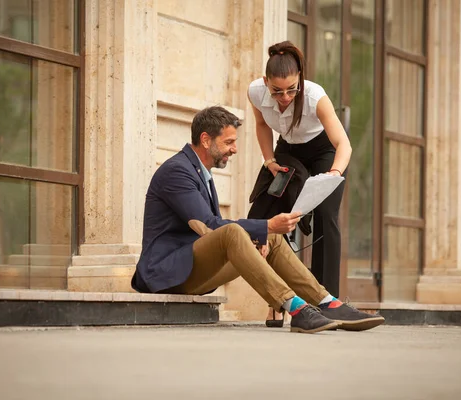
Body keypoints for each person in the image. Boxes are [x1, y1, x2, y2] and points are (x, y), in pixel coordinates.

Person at [131, 106, 383, 333]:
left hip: (190, 266)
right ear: (206, 140)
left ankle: (328, 303)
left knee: (270, 237)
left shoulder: (199, 171)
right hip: (166, 272)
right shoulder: (177, 170)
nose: (235, 149)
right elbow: (209, 227)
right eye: (229, 142)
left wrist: (261, 234)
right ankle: (295, 307)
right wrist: (265, 225)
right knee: (248, 231)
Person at [247, 41, 352, 327]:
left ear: (301, 79)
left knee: (326, 214)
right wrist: (268, 160)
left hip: (324, 152)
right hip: (287, 151)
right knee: (270, 208)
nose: (284, 97)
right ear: (266, 82)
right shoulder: (256, 91)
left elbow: (343, 143)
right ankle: (278, 302)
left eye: (292, 89)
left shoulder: (315, 97)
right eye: (277, 91)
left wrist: (334, 173)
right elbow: (260, 124)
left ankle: (327, 300)